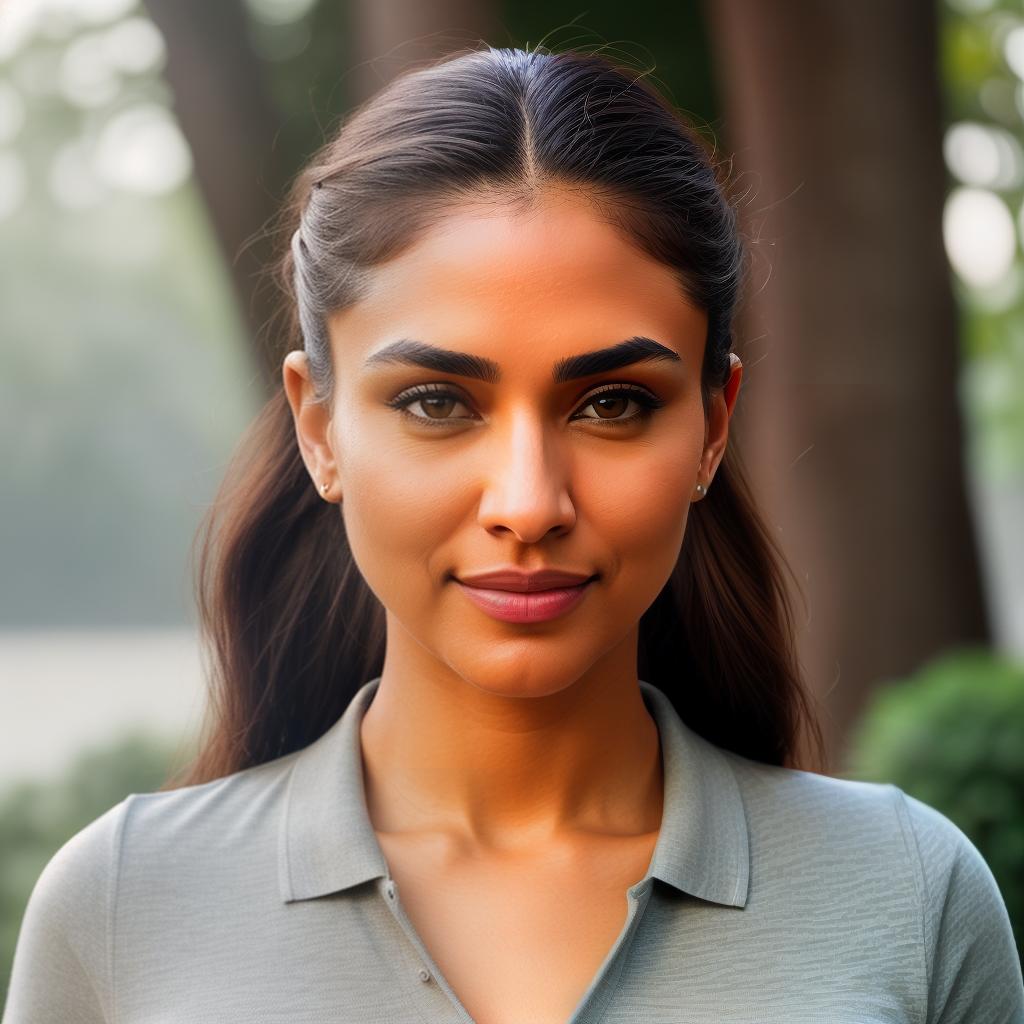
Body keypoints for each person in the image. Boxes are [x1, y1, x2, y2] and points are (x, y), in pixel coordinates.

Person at [5, 42, 1023, 1024]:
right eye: (438, 402)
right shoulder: (123, 905)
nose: (529, 503)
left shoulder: (908, 894)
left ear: (712, 427)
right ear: (319, 428)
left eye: (613, 403)